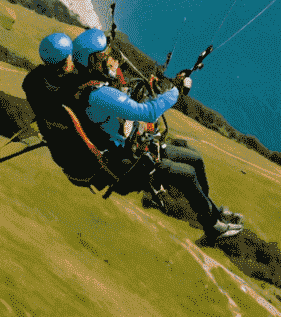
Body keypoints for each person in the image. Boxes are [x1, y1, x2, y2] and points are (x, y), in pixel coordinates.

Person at [72, 46, 244, 239]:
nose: (114, 61)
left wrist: (165, 86)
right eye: (108, 57)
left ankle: (212, 210)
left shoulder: (99, 88)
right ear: (95, 61)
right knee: (187, 175)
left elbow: (127, 104)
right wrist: (175, 91)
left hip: (137, 145)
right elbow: (146, 112)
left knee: (195, 159)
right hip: (128, 161)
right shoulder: (99, 95)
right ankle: (212, 225)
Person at [21, 32, 99, 183]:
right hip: (84, 152)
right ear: (66, 59)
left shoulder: (32, 80)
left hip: (63, 151)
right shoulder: (75, 81)